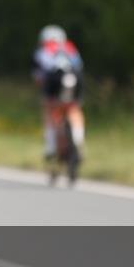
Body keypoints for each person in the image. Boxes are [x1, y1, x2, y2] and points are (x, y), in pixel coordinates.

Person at [32, 25, 85, 180]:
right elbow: (79, 67)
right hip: (75, 77)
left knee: (49, 108)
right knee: (74, 109)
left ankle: (50, 147)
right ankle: (78, 140)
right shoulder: (70, 47)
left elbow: (38, 76)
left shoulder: (43, 49)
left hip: (53, 78)